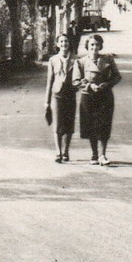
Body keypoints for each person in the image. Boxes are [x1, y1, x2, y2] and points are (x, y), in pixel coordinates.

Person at [72, 33, 121, 166]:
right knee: (91, 125)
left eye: (97, 44)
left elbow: (117, 76)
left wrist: (107, 84)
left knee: (104, 125)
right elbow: (75, 81)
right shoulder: (80, 61)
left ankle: (103, 155)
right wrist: (89, 85)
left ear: (100, 46)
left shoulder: (108, 59)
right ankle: (94, 154)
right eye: (92, 44)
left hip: (105, 96)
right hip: (88, 97)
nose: (94, 47)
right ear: (87, 46)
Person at [42, 34, 79, 162]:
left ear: (69, 43)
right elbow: (49, 81)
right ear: (58, 44)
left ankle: (66, 151)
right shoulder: (52, 60)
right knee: (57, 124)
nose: (64, 44)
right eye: (61, 42)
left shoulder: (76, 60)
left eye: (66, 41)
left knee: (69, 125)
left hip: (70, 95)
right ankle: (58, 152)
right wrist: (46, 102)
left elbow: (80, 78)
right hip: (56, 95)